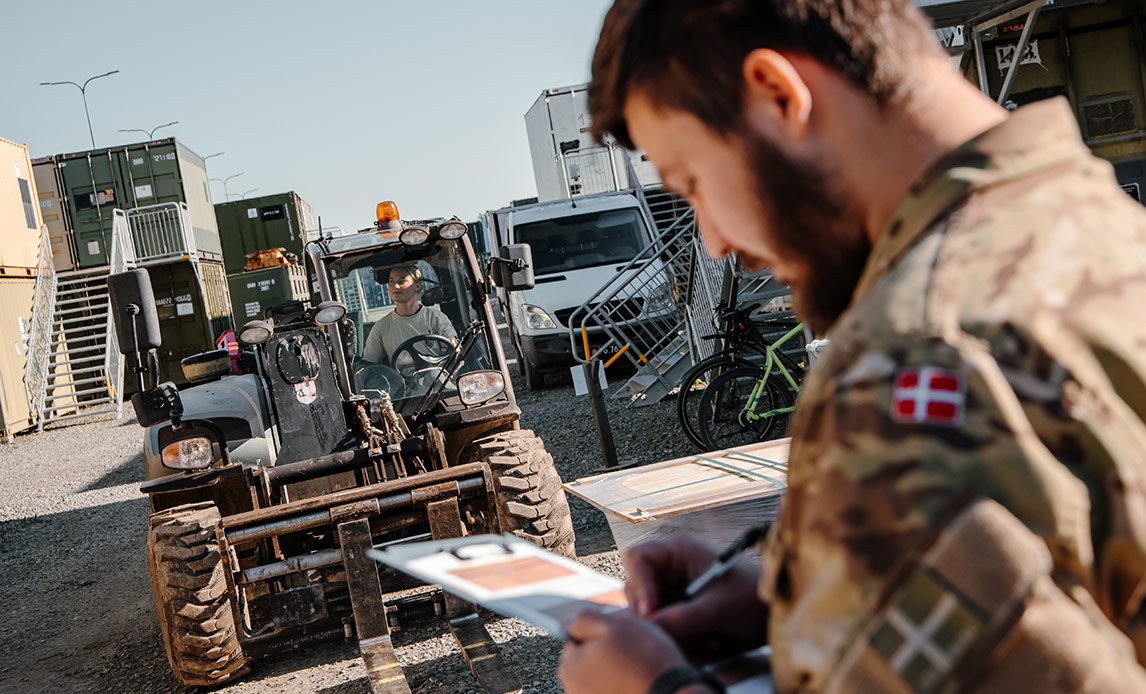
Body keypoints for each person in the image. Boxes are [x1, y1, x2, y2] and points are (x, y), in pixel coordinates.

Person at [558, 0, 1146, 692]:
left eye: (692, 183)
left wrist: (659, 686)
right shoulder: (1108, 230)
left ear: (779, 95)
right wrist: (807, 598)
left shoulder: (905, 361)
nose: (715, 240)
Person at [361, 264, 456, 370]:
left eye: (401, 281)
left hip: (439, 380)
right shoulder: (381, 328)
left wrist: (454, 347)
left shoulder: (436, 318)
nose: (395, 286)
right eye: (391, 281)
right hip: (403, 384)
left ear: (418, 286)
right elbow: (368, 366)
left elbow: (454, 350)